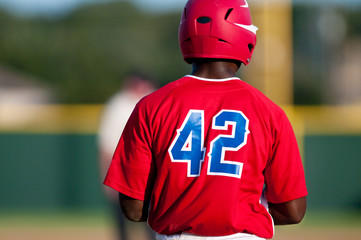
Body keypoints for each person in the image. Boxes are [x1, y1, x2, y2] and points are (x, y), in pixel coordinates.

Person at [104, 0, 308, 239]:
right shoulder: (270, 112)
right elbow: (293, 211)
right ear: (244, 37)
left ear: (185, 34)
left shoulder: (150, 106)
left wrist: (180, 209)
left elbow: (132, 207)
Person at [98, 72, 156, 240]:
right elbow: (106, 145)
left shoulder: (154, 98)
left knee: (152, 221)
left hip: (149, 168)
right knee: (122, 219)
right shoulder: (118, 104)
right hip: (123, 166)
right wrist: (107, 175)